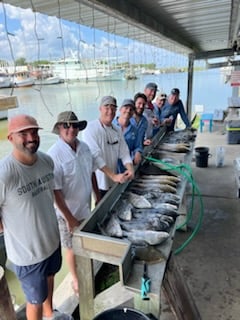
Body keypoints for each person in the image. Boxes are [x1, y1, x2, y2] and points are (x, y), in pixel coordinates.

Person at [0, 114, 70, 320]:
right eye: (24, 133)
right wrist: (13, 228)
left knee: (50, 278)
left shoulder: (47, 161)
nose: (31, 137)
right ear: (10, 138)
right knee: (34, 301)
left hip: (52, 242)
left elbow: (51, 195)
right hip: (28, 255)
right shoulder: (5, 174)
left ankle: (50, 314)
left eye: (34, 131)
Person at [48, 111, 101, 296]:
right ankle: (76, 279)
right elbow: (55, 190)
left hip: (86, 207)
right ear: (59, 129)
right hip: (65, 213)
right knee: (69, 246)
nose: (71, 129)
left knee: (86, 240)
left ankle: (88, 268)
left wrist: (98, 196)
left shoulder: (85, 148)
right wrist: (69, 218)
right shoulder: (54, 154)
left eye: (74, 125)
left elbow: (92, 172)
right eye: (66, 125)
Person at [82, 96, 134, 199]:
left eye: (113, 108)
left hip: (114, 181)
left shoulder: (117, 130)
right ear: (100, 109)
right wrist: (113, 176)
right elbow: (95, 156)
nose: (110, 111)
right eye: (107, 107)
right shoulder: (90, 128)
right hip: (97, 183)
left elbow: (124, 152)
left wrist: (130, 169)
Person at [112, 99, 143, 172]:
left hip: (126, 167)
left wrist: (138, 152)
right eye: (126, 108)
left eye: (131, 109)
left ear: (133, 113)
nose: (128, 111)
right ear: (120, 109)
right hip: (111, 167)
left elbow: (138, 146)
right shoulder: (110, 126)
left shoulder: (134, 130)